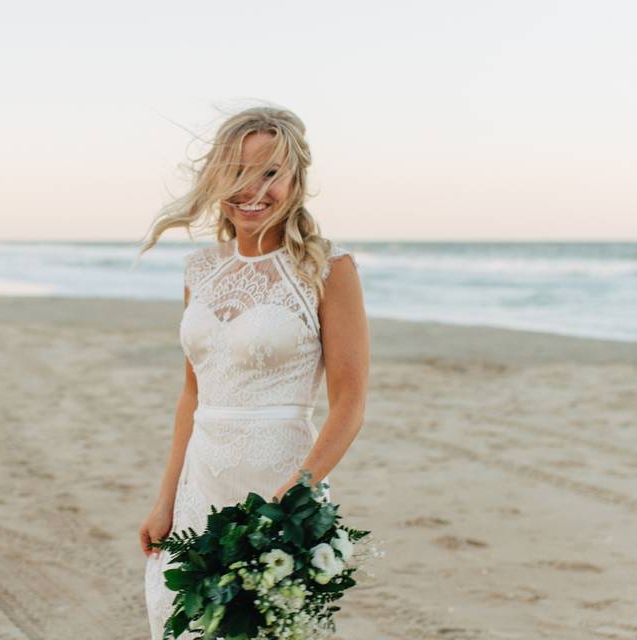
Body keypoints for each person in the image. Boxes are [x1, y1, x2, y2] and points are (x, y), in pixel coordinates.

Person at [136, 104, 369, 639]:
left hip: (280, 486)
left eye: (270, 173)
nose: (252, 190)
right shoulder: (201, 269)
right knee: (180, 624)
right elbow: (192, 396)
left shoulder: (329, 269)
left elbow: (351, 402)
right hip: (201, 482)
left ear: (296, 179)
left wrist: (298, 493)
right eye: (236, 173)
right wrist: (165, 498)